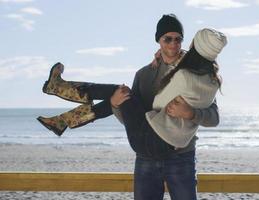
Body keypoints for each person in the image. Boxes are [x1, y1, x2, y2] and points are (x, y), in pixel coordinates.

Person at [37, 14, 226, 199]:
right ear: (158, 40)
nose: (173, 44)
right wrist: (115, 105)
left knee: (118, 92)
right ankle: (63, 117)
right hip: (146, 156)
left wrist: (190, 113)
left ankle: (63, 113)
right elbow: (131, 120)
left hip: (181, 157)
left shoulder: (194, 72)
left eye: (178, 39)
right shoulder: (144, 75)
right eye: (167, 39)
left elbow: (214, 118)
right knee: (119, 95)